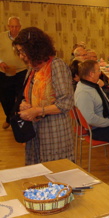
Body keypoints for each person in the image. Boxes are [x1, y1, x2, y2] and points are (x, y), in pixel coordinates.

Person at [13, 27, 74, 165]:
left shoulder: (56, 66)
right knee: (37, 170)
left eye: (23, 51)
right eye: (19, 52)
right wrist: (24, 104)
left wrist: (37, 110)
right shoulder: (32, 69)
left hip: (54, 130)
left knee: (55, 171)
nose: (21, 56)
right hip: (34, 130)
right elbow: (26, 95)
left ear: (34, 48)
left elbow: (66, 103)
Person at [0, 16, 27, 129]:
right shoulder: (1, 37)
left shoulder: (25, 38)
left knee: (21, 97)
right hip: (4, 72)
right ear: (8, 26)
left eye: (16, 26)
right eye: (12, 26)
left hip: (22, 71)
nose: (14, 29)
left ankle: (17, 121)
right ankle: (9, 118)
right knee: (5, 98)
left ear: (20, 27)